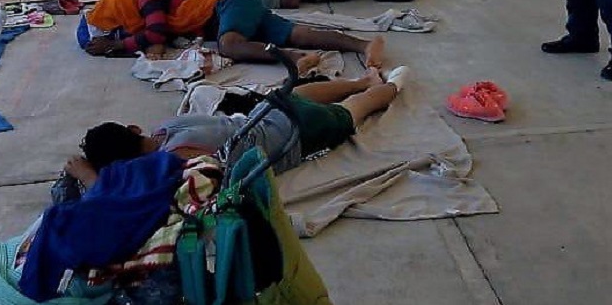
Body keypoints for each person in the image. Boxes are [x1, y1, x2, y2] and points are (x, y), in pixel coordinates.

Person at [67, 67, 410, 183]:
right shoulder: (167, 127)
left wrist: (92, 177)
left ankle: (393, 85)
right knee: (299, 93)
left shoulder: (176, 159)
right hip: (269, 110)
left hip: (294, 135)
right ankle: (363, 79)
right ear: (134, 129)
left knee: (356, 110)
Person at [80, 0, 386, 70]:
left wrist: (119, 46)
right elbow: (154, 43)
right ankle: (363, 45)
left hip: (227, 3)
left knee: (229, 45)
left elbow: (156, 36)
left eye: (115, 24)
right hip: (234, 8)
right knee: (296, 31)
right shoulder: (146, 15)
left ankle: (292, 58)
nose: (120, 30)